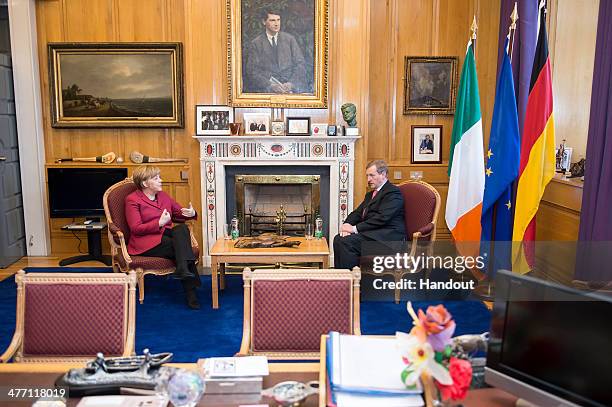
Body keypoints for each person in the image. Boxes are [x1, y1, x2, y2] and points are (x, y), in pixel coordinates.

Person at [125, 166, 201, 309]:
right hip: (145, 242)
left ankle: (183, 269)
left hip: (164, 236)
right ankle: (191, 292)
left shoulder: (163, 196)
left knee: (182, 229)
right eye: (156, 178)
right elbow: (136, 228)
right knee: (182, 248)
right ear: (145, 183)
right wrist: (159, 223)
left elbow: (179, 213)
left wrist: (190, 213)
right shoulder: (132, 200)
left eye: (159, 177)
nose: (161, 180)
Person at [333, 160, 407, 269]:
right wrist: (346, 225)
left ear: (383, 174)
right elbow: (357, 213)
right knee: (339, 238)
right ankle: (341, 279)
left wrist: (354, 229)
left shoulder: (392, 193)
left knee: (347, 242)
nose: (368, 179)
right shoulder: (370, 194)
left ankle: (353, 282)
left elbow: (382, 218)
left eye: (372, 175)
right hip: (374, 234)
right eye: (367, 176)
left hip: (388, 238)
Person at [244, 9, 307, 93]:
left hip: (290, 89)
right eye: (272, 20)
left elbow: (300, 64)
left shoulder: (289, 39)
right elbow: (252, 71)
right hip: (267, 90)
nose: (276, 24)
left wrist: (291, 83)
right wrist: (270, 85)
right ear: (264, 22)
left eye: (278, 20)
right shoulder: (256, 43)